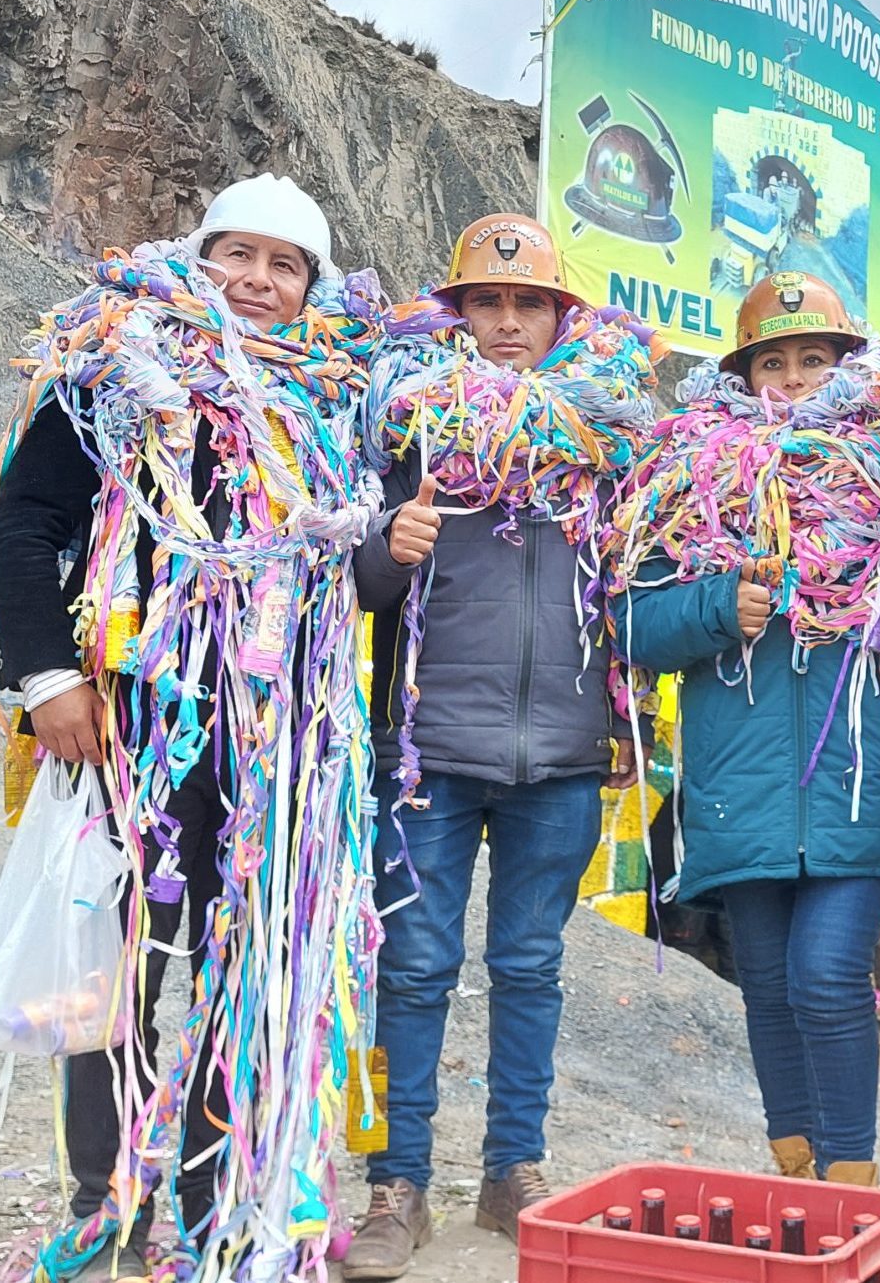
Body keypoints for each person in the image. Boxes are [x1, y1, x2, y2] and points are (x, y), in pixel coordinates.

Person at [0, 174, 383, 1276]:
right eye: (236, 254)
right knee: (115, 969)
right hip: (132, 724)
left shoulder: (344, 399)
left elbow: (364, 573)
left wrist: (394, 547)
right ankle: (103, 1195)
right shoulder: (115, 367)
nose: (255, 280)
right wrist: (48, 673)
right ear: (196, 256)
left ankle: (214, 1206)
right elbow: (24, 526)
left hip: (283, 744)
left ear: (309, 286)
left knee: (245, 964)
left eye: (282, 263)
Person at [343, 214, 656, 1278]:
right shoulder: (407, 425)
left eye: (531, 304)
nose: (510, 321)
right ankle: (394, 1181)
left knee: (531, 964)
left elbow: (630, 595)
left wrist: (624, 726)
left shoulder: (608, 442)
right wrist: (392, 545)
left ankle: (512, 1167)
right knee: (412, 965)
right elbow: (357, 586)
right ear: (459, 312)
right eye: (490, 301)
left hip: (564, 753)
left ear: (564, 317)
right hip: (429, 748)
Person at [610, 271, 880, 1188]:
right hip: (738, 786)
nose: (791, 380)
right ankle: (798, 1174)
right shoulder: (689, 483)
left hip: (856, 779)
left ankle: (851, 1180)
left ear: (845, 366)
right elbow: (629, 623)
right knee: (771, 989)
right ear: (743, 378)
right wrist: (714, 609)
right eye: (771, 363)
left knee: (826, 976)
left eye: (812, 359)